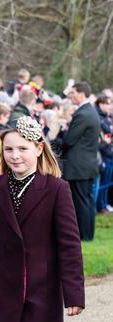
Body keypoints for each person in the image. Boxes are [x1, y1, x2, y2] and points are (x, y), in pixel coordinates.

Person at [0, 116, 85, 322]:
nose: (15, 155)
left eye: (23, 148)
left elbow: (69, 245)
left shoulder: (57, 189)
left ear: (39, 149)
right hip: (4, 288)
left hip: (40, 290)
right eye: (9, 149)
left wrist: (74, 293)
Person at [63, 82, 100, 241]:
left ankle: (84, 235)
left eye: (73, 93)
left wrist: (64, 132)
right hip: (86, 165)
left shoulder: (83, 113)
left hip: (79, 166)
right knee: (87, 201)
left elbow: (69, 140)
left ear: (82, 94)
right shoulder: (89, 111)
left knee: (81, 203)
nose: (71, 96)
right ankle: (88, 234)